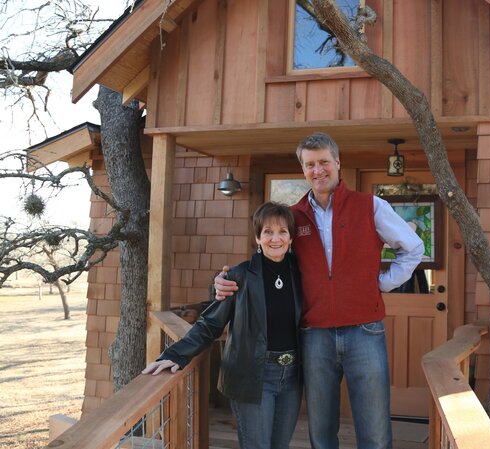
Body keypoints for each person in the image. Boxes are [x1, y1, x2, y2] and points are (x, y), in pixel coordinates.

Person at [214, 132, 424, 449]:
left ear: (337, 163)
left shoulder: (371, 206)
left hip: (364, 330)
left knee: (375, 433)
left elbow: (413, 247)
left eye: (324, 161)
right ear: (303, 169)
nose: (318, 170)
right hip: (314, 336)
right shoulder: (294, 216)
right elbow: (272, 263)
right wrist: (224, 281)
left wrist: (381, 283)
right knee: (321, 434)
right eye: (310, 164)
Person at [143, 202, 303, 449]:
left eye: (282, 231)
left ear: (291, 237)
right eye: (268, 232)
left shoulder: (301, 274)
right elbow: (210, 323)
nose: (275, 238)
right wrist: (176, 353)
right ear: (257, 238)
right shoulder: (238, 276)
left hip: (292, 375)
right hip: (253, 375)